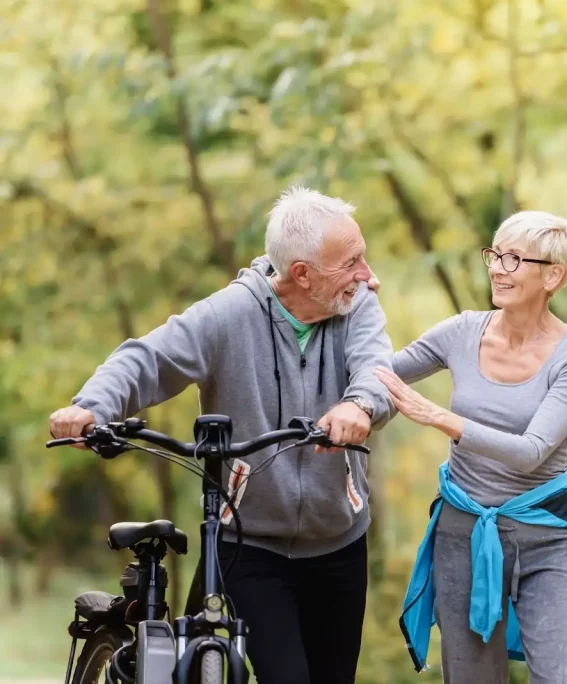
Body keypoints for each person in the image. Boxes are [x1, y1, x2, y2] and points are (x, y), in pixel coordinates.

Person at [48, 186, 396, 684]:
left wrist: (358, 405)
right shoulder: (229, 315)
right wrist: (89, 407)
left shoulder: (356, 306)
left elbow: (376, 370)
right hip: (250, 544)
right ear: (303, 274)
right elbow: (147, 359)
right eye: (353, 262)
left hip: (338, 541)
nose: (369, 275)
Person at [377, 210, 567, 684]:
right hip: (463, 537)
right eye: (494, 254)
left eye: (514, 258)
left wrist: (439, 417)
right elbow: (382, 372)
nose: (497, 268)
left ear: (553, 275)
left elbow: (532, 450)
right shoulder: (462, 331)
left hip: (548, 540)